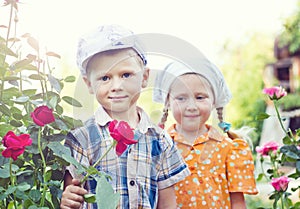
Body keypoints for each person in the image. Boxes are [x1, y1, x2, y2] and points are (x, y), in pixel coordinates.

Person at [60, 24, 190, 209]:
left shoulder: (159, 139)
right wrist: (68, 200)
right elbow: (73, 192)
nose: (116, 86)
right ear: (89, 84)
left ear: (144, 77)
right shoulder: (82, 138)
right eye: (105, 78)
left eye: (126, 74)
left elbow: (167, 203)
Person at [153, 59, 258, 209]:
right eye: (181, 98)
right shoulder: (160, 147)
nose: (191, 106)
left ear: (214, 101)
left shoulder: (229, 148)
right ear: (168, 102)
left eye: (200, 97)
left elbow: (238, 202)